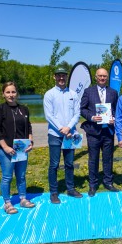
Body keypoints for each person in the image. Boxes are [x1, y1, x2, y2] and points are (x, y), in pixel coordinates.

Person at [0, 81, 35, 214]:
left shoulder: (24, 109)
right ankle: (7, 202)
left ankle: (22, 199)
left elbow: (29, 126)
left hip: (21, 149)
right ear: (3, 94)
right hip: (6, 150)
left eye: (13, 92)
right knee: (7, 177)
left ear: (17, 93)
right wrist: (5, 147)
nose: (11, 95)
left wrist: (31, 142)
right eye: (8, 92)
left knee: (21, 176)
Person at [44, 67, 82, 204]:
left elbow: (77, 113)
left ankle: (70, 189)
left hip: (70, 134)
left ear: (67, 77)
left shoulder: (73, 94)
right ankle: (54, 192)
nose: (61, 78)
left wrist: (69, 128)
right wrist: (61, 128)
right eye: (59, 76)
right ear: (55, 77)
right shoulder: (49, 94)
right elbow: (49, 115)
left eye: (63, 76)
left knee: (69, 163)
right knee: (54, 164)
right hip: (55, 134)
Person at [80, 68, 119, 197]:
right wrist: (91, 117)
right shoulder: (88, 91)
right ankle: (93, 184)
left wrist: (114, 118)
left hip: (108, 131)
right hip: (93, 131)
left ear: (107, 78)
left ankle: (108, 182)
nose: (102, 78)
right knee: (93, 158)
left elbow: (116, 110)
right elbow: (82, 109)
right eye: (100, 76)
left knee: (108, 158)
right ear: (96, 77)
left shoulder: (113, 92)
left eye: (104, 76)